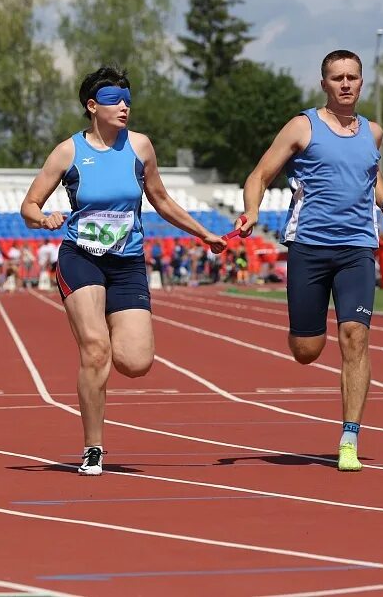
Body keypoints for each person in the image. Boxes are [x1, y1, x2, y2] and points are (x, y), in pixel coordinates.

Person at [20, 65, 227, 476]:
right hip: (82, 257)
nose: (124, 106)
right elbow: (29, 205)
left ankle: (100, 349)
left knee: (135, 361)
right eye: (115, 99)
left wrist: (205, 234)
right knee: (96, 348)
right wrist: (42, 218)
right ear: (92, 106)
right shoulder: (69, 152)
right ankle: (93, 447)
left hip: (128, 262)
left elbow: (162, 200)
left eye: (128, 99)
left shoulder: (141, 147)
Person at [237, 50, 383, 472]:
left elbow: (373, 174)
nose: (345, 84)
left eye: (352, 77)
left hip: (357, 249)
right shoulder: (302, 126)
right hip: (309, 247)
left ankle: (349, 438)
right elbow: (259, 175)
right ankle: (305, 333)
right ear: (324, 84)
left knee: (355, 337)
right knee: (307, 350)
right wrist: (253, 210)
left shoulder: (373, 132)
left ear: (362, 83)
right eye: (337, 78)